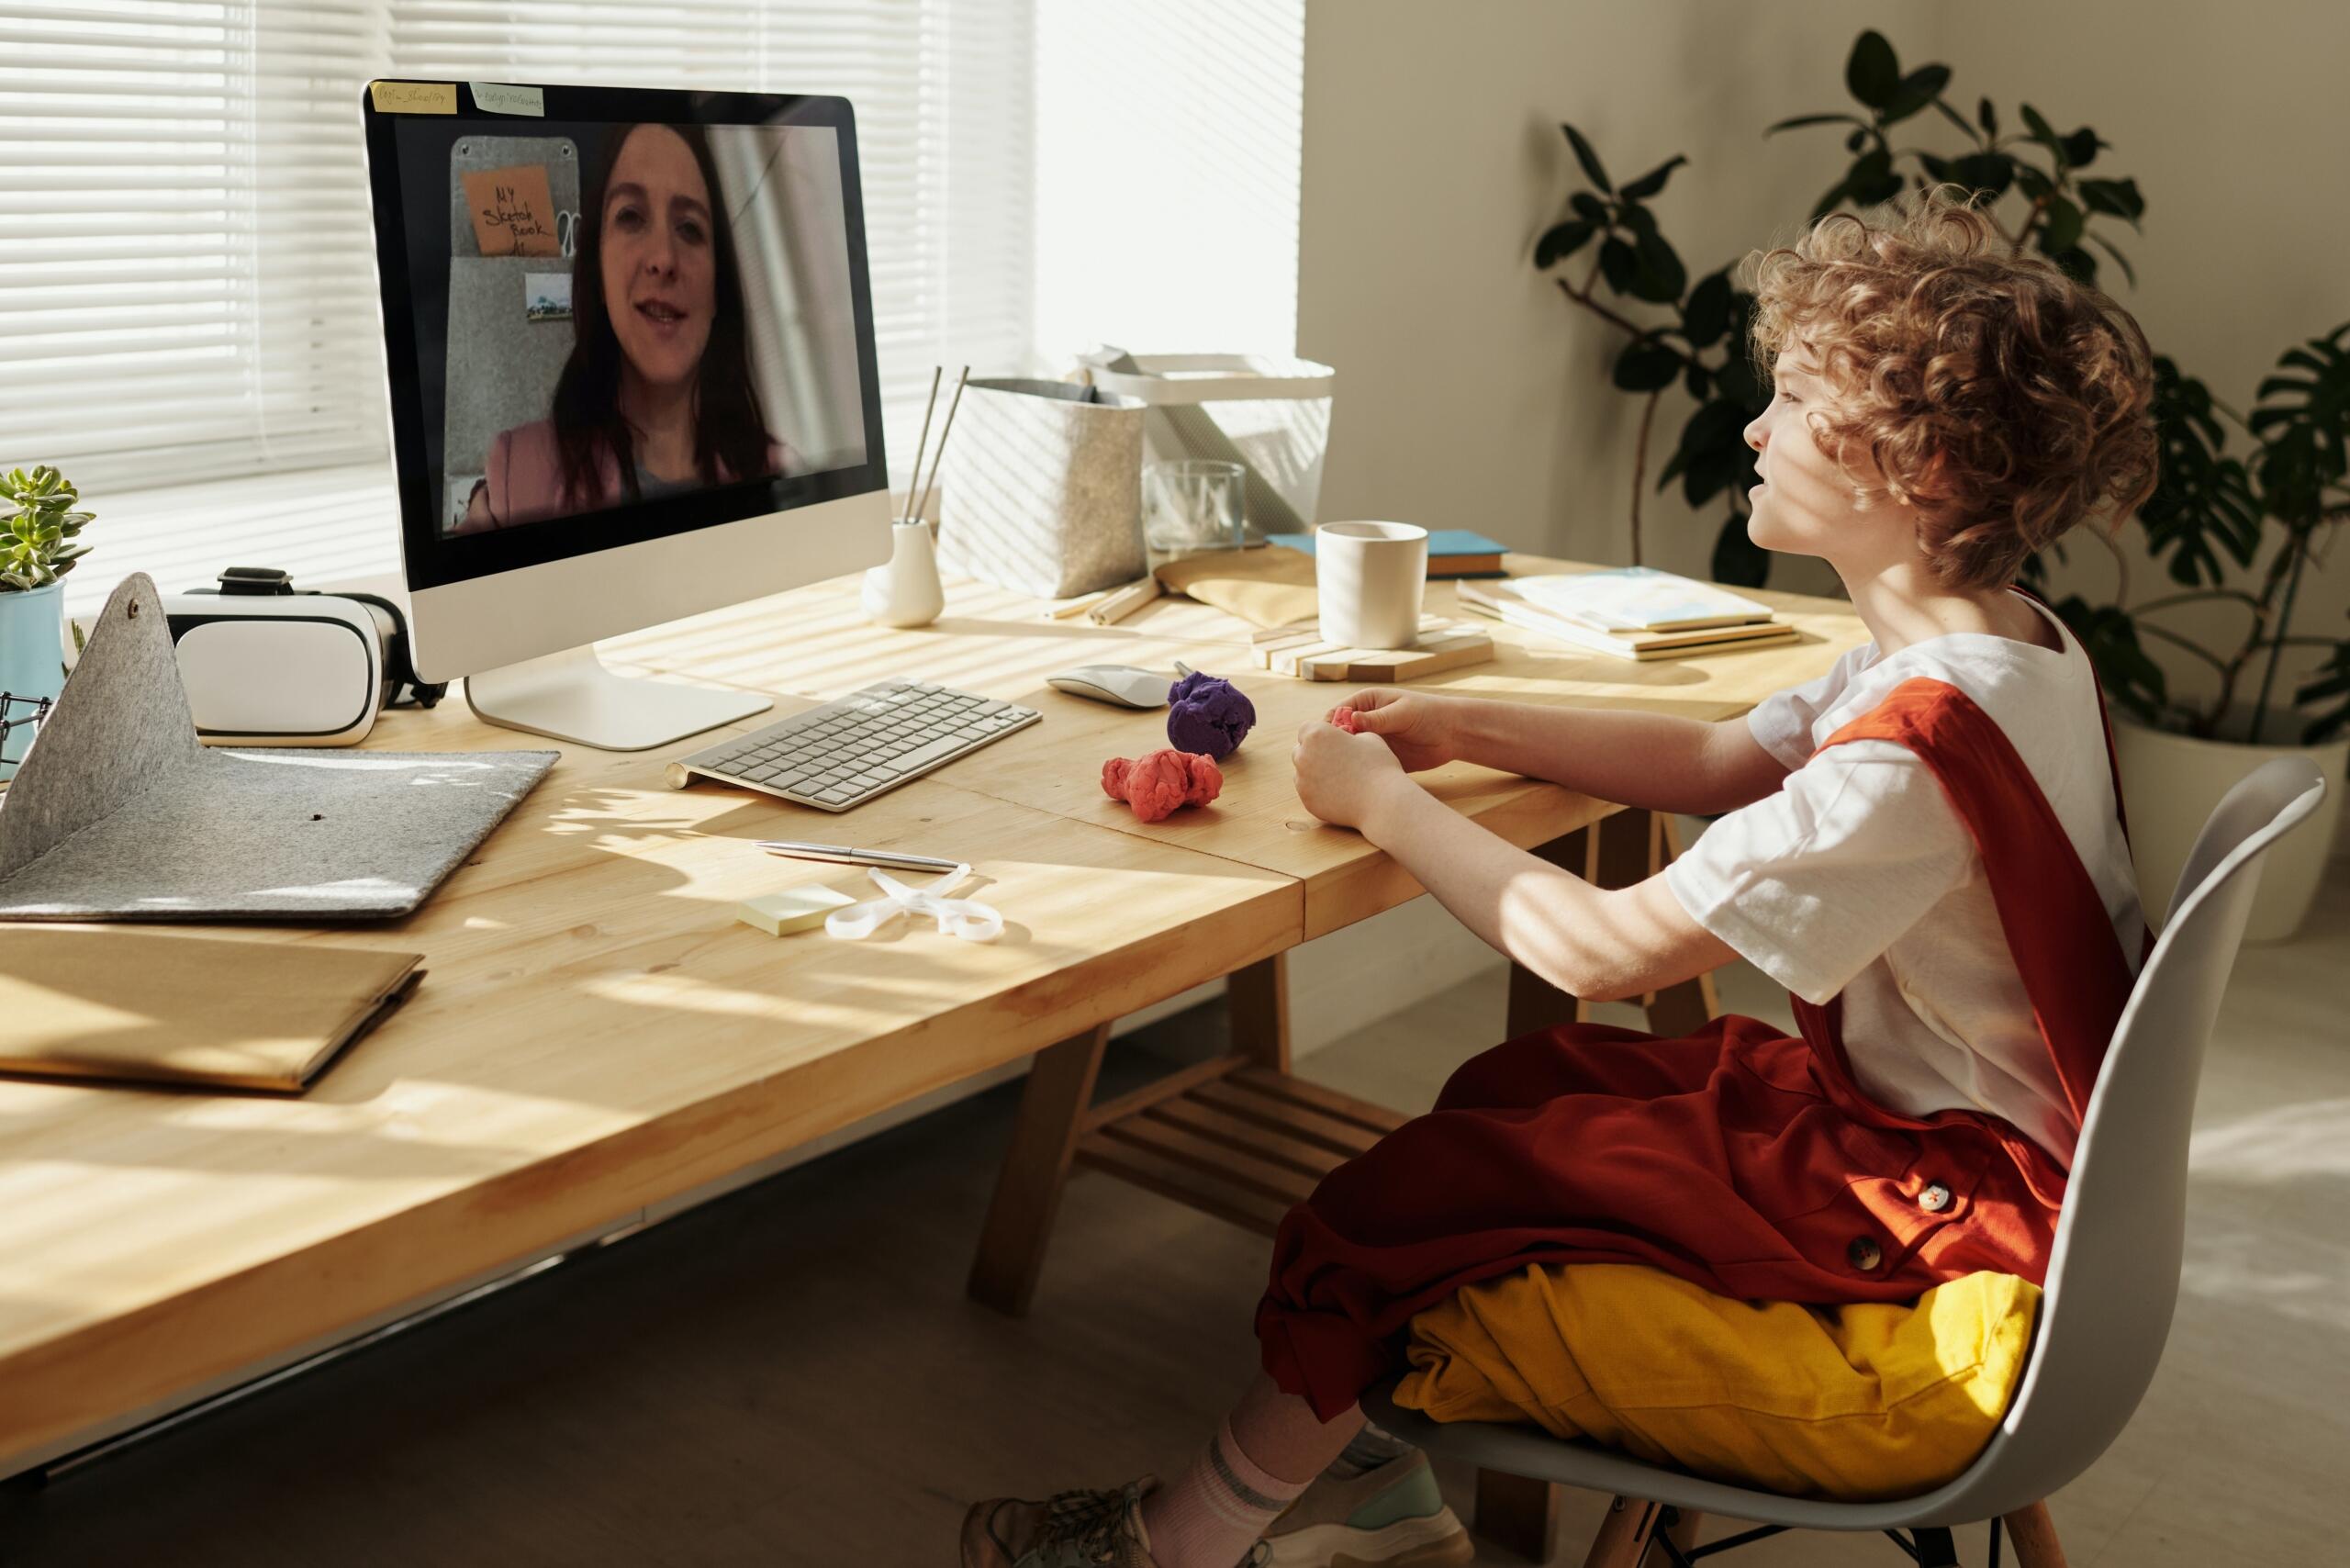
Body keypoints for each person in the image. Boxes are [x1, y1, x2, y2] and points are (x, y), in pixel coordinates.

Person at [961, 190, 2160, 1568]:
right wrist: (1465, 724)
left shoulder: (1912, 755)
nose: (1756, 432)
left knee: (1399, 1199)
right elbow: (1721, 758)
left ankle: (1176, 1545)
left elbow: (1596, 951)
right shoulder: (2002, 646)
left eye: (1788, 400)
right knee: (1518, 1097)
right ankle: (1370, 1487)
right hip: (1966, 1146)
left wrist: (1391, 808)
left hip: (1941, 1205)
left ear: (1916, 466)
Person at [456, 122, 789, 532]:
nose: (664, 258)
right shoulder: (516, 478)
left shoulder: (787, 473)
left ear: (718, 285)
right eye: (631, 216)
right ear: (597, 270)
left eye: (690, 228)